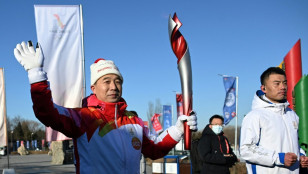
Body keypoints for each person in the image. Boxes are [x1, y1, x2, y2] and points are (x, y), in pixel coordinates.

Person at [13, 41, 198, 174]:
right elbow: (46, 112)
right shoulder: (83, 118)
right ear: (94, 87)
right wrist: (36, 75)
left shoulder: (134, 120)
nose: (113, 86)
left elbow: (154, 149)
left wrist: (178, 129)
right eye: (106, 81)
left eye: (118, 81)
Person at [240, 67, 308, 174]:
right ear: (263, 88)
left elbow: (294, 144)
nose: (282, 87)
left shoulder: (292, 114)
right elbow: (246, 150)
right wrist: (279, 158)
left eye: (284, 83)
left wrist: (301, 156)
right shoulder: (254, 116)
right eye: (276, 84)